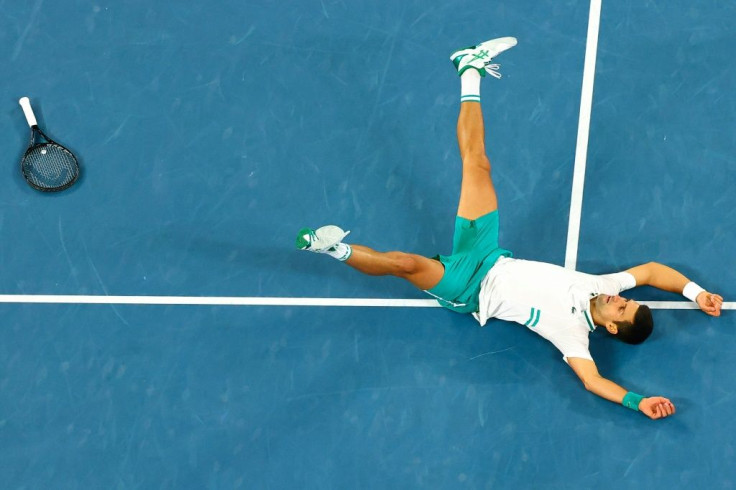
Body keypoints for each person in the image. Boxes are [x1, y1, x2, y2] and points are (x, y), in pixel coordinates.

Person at [296, 37, 724, 420]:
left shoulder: (572, 335)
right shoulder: (602, 284)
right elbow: (650, 271)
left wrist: (637, 401)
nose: (619, 299)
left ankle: (331, 249)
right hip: (487, 251)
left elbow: (593, 382)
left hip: (468, 289)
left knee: (406, 264)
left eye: (621, 309)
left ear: (612, 328)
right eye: (626, 301)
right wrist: (696, 292)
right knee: (477, 163)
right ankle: (469, 68)